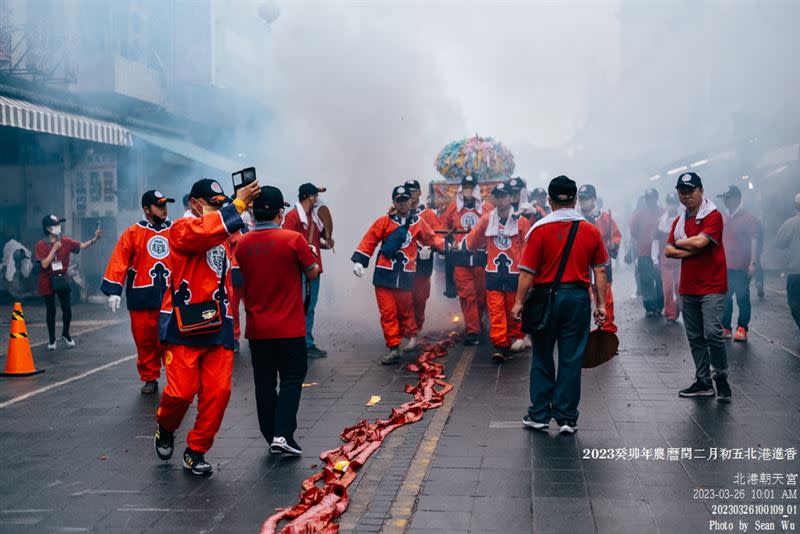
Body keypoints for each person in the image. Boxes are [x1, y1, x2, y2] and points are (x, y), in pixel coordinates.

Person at [153, 177, 260, 475]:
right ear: (194, 204)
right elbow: (203, 234)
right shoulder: (181, 229)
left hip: (218, 322)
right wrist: (235, 206)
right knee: (180, 393)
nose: (217, 210)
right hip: (182, 323)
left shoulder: (222, 232)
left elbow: (236, 239)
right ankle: (166, 427)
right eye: (212, 205)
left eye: (220, 206)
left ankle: (196, 449)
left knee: (219, 392)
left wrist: (250, 211)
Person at [512, 175, 608, 435]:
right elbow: (599, 271)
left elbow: (528, 272)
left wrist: (519, 302)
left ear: (550, 201)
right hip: (577, 300)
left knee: (542, 355)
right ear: (575, 200)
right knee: (571, 358)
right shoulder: (590, 230)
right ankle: (566, 418)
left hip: (545, 299)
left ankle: (540, 414)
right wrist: (601, 305)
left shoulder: (540, 230)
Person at [236, 186, 320, 455]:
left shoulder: (243, 243)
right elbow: (312, 273)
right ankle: (283, 434)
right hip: (290, 328)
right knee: (293, 378)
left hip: (257, 329)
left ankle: (271, 434)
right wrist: (312, 257)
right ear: (280, 213)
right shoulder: (293, 240)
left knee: (264, 382)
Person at [351, 185, 445, 364]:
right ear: (394, 202)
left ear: (411, 201)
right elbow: (370, 240)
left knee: (405, 310)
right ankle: (393, 347)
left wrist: (442, 247)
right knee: (388, 313)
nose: (402, 204)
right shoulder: (384, 221)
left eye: (405, 200)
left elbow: (432, 238)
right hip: (384, 275)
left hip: (405, 276)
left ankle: (410, 337)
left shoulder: (418, 222)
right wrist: (360, 261)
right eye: (399, 200)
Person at [664, 172, 731, 400]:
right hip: (688, 287)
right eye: (682, 192)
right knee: (695, 337)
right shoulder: (679, 221)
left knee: (712, 332)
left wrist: (681, 245)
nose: (686, 196)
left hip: (713, 285)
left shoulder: (713, 216)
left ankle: (720, 376)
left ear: (701, 190)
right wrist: (691, 246)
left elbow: (702, 242)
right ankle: (703, 382)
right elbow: (668, 250)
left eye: (691, 191)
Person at [101, 190, 174, 394]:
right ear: (146, 209)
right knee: (144, 341)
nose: (164, 208)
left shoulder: (176, 229)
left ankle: (177, 377)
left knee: (170, 340)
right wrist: (114, 289)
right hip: (141, 296)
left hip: (170, 296)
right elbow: (119, 259)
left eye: (165, 205)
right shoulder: (133, 232)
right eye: (159, 205)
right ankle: (150, 377)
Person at [465, 181, 531, 361]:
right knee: (496, 311)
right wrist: (469, 247)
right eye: (498, 197)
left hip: (514, 274)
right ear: (494, 199)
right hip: (493, 273)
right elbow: (473, 241)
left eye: (504, 196)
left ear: (511, 198)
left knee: (513, 310)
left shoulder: (521, 221)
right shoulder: (487, 219)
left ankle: (515, 336)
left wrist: (527, 272)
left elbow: (527, 247)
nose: (501, 200)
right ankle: (500, 345)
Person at [35, 214, 102, 350]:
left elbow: (81, 246)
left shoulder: (65, 241)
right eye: (55, 225)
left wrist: (95, 239)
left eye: (59, 224)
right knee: (51, 311)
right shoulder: (41, 244)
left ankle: (66, 334)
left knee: (67, 308)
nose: (58, 227)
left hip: (62, 278)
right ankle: (52, 339)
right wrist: (54, 249)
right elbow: (44, 264)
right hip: (47, 280)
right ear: (48, 228)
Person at [283, 183, 331, 358]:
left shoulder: (313, 217)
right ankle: (301, 343)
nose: (317, 200)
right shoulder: (293, 217)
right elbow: (288, 243)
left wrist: (325, 244)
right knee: (301, 307)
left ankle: (305, 342)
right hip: (300, 270)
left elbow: (314, 242)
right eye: (316, 196)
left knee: (309, 307)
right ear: (311, 197)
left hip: (313, 269)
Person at [440, 175, 487, 346]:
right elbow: (442, 228)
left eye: (470, 187)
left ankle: (477, 323)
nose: (468, 191)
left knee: (481, 296)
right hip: (460, 258)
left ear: (475, 189)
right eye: (465, 188)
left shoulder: (486, 208)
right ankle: (472, 330)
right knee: (467, 295)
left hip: (480, 258)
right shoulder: (453, 209)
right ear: (461, 190)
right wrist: (450, 241)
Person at [718, 185, 759, 342]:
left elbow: (754, 240)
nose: (725, 201)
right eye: (724, 198)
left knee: (742, 297)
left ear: (736, 198)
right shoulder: (724, 217)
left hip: (742, 266)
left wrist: (753, 263)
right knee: (725, 297)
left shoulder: (748, 218)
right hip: (725, 266)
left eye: (727, 198)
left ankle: (742, 328)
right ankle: (726, 327)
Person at [578, 184, 621, 333]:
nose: (583, 202)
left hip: (602, 264)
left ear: (594, 199)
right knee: (583, 299)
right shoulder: (576, 219)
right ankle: (582, 332)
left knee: (606, 298)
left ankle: (607, 330)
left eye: (587, 198)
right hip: (582, 265)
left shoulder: (605, 217)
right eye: (581, 199)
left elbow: (616, 236)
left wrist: (612, 245)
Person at [403, 179, 443, 332]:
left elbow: (440, 237)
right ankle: (406, 330)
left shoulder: (427, 214)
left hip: (422, 263)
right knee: (404, 298)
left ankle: (416, 329)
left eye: (414, 191)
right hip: (404, 264)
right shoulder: (397, 212)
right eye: (408, 191)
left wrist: (430, 248)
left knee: (420, 298)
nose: (411, 194)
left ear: (419, 193)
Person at [630, 188, 664, 316]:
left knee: (660, 280)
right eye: (648, 198)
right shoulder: (639, 214)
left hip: (660, 254)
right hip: (644, 252)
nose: (650, 201)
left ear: (656, 198)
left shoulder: (662, 212)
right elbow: (633, 229)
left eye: (652, 198)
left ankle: (660, 305)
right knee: (646, 280)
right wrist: (642, 240)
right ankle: (650, 307)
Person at [776, 192, 800, 333]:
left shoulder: (790, 223)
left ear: (796, 205)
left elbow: (779, 242)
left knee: (795, 302)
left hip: (796, 271)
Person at [659, 193, 682, 321]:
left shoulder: (684, 219)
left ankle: (678, 309)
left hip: (680, 260)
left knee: (679, 287)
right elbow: (656, 240)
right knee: (667, 288)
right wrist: (653, 258)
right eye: (669, 203)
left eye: (673, 203)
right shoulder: (661, 221)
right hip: (666, 260)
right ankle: (670, 312)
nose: (671, 206)